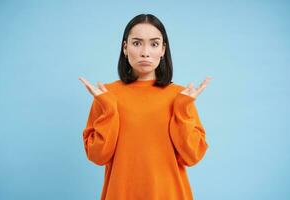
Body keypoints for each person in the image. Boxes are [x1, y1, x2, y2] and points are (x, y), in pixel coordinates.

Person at [79, 13, 212, 200]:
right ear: (125, 47)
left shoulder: (180, 96)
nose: (145, 52)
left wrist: (181, 110)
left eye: (154, 44)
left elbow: (193, 156)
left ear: (163, 49)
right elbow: (98, 156)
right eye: (137, 43)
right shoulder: (106, 95)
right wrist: (109, 109)